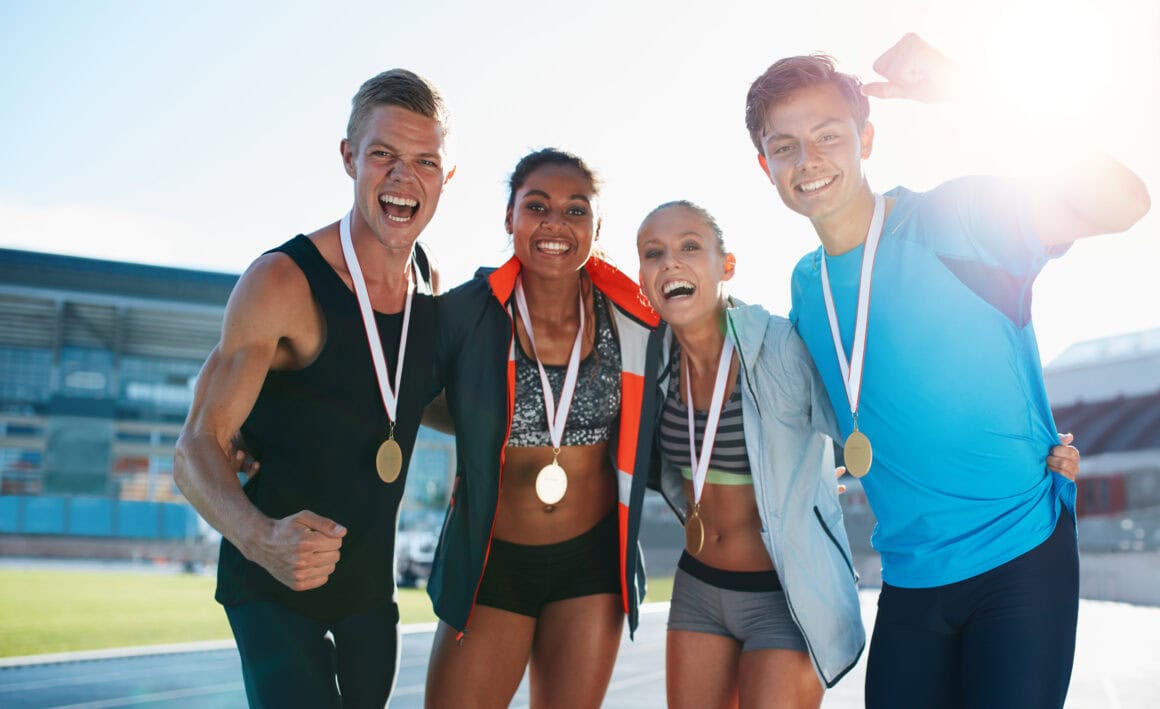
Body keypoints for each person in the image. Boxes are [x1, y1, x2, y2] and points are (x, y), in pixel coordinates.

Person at [745, 35, 1148, 708]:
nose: (807, 160)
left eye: (827, 136)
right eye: (784, 146)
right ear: (766, 166)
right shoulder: (806, 287)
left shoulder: (958, 217)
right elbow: (854, 406)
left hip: (1018, 555)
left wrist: (972, 92)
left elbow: (1125, 203)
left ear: (867, 138)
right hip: (911, 577)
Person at [635, 201, 1081, 708]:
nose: (671, 262)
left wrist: (1025, 450)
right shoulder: (649, 358)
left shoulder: (778, 345)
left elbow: (875, 415)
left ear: (727, 265)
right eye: (654, 253)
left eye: (690, 246)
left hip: (784, 594)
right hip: (697, 587)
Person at [173, 69, 452, 708]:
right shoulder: (282, 280)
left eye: (425, 161)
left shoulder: (429, 283)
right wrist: (261, 540)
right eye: (383, 154)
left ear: (447, 176)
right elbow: (195, 448)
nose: (404, 178)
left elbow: (407, 397)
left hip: (368, 593)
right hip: (271, 586)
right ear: (349, 157)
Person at [422, 148, 662, 708]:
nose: (556, 223)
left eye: (576, 210)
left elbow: (707, 367)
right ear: (510, 218)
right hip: (493, 561)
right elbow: (393, 391)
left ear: (597, 227)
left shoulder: (633, 315)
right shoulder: (467, 313)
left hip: (592, 563)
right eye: (537, 206)